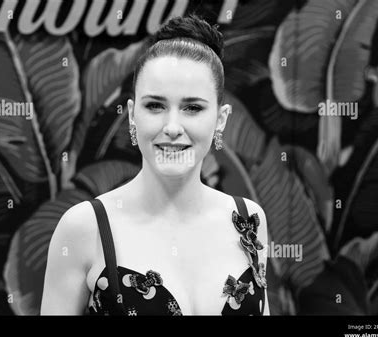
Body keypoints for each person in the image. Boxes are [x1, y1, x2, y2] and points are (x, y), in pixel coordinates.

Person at [41, 14, 269, 316]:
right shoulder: (85, 228)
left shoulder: (248, 220)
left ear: (221, 119)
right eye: (155, 106)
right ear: (133, 115)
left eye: (192, 108)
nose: (173, 126)